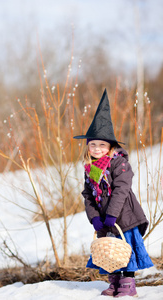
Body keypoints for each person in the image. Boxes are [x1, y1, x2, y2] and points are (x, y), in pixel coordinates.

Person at [73, 89, 153, 297]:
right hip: (103, 219)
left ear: (110, 146)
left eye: (102, 144)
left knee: (126, 248)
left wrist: (111, 215)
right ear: (88, 146)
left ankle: (128, 283)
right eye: (93, 144)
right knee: (110, 251)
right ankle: (115, 281)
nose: (97, 148)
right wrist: (94, 219)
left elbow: (121, 190)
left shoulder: (119, 163)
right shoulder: (90, 169)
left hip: (123, 217)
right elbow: (88, 196)